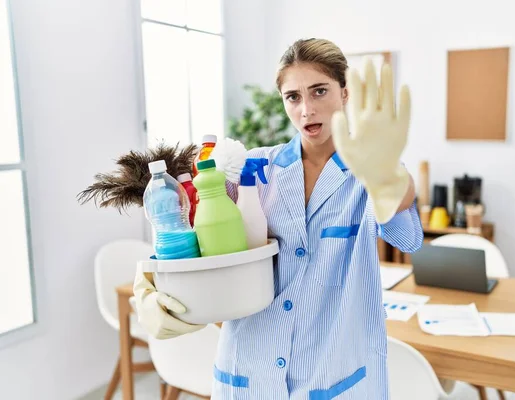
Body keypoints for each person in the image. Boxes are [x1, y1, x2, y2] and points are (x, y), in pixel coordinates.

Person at [134, 38, 423, 399]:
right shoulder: (256, 168)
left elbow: (406, 236)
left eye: (320, 91)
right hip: (249, 372)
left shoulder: (368, 171)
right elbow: (191, 229)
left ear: (345, 93)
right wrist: (145, 285)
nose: (306, 110)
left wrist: (388, 176)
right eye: (293, 97)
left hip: (333, 376)